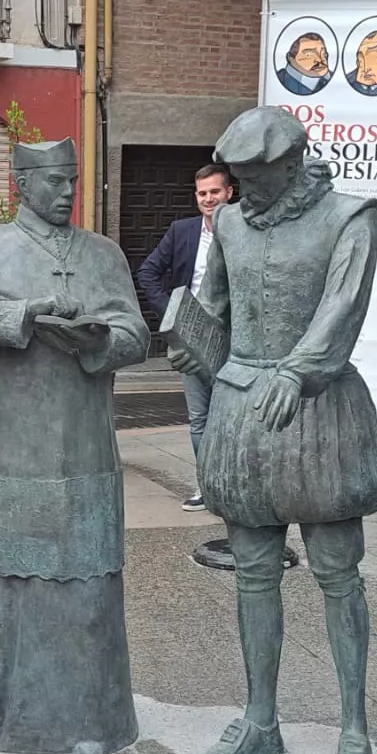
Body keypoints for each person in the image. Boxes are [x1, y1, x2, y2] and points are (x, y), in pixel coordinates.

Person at [172, 106, 377, 754]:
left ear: (292, 163)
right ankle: (260, 719)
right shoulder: (230, 222)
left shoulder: (352, 215)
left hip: (319, 407)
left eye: (253, 178)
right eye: (235, 179)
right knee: (253, 571)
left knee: (336, 570)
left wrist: (300, 369)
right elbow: (215, 302)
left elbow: (342, 307)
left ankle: (353, 729)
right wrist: (188, 333)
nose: (241, 191)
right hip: (243, 407)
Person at [0, 138, 151, 754]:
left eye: (72, 181)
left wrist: (93, 341)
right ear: (21, 182)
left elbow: (134, 331)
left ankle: (93, 720)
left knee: (84, 581)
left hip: (80, 438)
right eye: (53, 181)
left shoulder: (102, 253)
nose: (65, 193)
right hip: (5, 438)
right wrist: (32, 313)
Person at [136, 163, 235, 511]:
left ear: (229, 193)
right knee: (200, 419)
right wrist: (173, 314)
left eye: (214, 192)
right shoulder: (182, 231)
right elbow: (147, 272)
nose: (208, 199)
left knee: (233, 416)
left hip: (234, 342)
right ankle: (207, 486)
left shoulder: (244, 231)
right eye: (202, 193)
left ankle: (234, 486)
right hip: (190, 338)